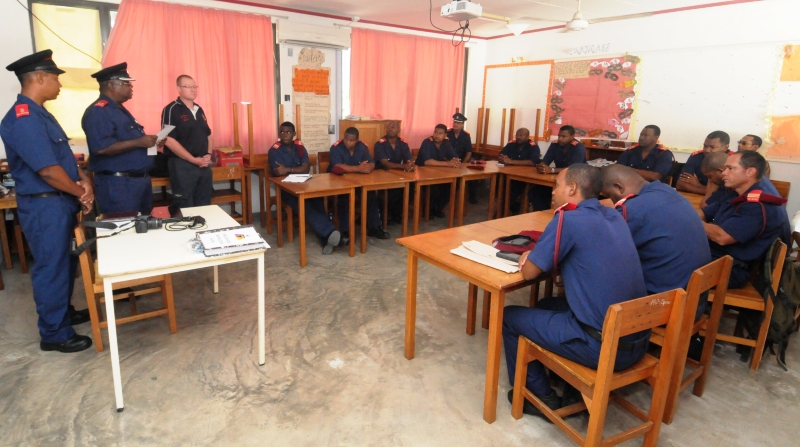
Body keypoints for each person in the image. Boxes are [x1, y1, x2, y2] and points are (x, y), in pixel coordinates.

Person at [503, 164, 649, 420]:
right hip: (636, 340)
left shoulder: (567, 220)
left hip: (603, 349)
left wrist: (530, 255)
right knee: (546, 304)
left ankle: (539, 397)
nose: (553, 191)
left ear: (572, 188)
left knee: (510, 317)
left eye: (557, 185)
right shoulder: (614, 214)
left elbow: (530, 273)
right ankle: (567, 382)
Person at [0, 50, 94, 353]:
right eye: (55, 78)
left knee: (65, 262)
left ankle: (62, 312)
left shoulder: (41, 114)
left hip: (59, 201)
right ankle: (54, 333)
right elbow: (49, 171)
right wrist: (80, 193)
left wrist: (84, 179)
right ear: (39, 78)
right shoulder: (23, 119)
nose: (60, 84)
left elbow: (64, 159)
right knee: (51, 266)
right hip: (44, 205)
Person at [602, 164, 711, 320]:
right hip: (695, 300)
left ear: (619, 188)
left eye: (609, 195)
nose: (613, 202)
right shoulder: (667, 191)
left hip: (665, 305)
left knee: (596, 279)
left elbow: (607, 251)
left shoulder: (633, 209)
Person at [699, 151, 790, 289]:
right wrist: (687, 216)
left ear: (750, 172)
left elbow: (721, 237)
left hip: (731, 268)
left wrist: (691, 221)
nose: (724, 173)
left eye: (730, 168)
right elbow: (704, 212)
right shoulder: (735, 194)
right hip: (715, 257)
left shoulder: (757, 206)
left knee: (670, 265)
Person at [82, 62, 160, 215]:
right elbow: (101, 147)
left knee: (143, 225)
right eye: (126, 84)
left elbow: (130, 141)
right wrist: (139, 142)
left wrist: (149, 142)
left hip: (138, 182)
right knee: (124, 225)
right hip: (119, 185)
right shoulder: (99, 112)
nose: (131, 87)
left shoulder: (119, 110)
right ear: (111, 85)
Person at [269, 122, 340, 254]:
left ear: (294, 134)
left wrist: (288, 169)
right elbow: (279, 173)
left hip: (304, 184)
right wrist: (296, 169)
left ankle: (327, 238)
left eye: (288, 132)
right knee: (304, 205)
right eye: (282, 132)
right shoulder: (274, 150)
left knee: (317, 200)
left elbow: (306, 168)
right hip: (285, 189)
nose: (284, 135)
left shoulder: (300, 147)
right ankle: (331, 232)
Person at [160, 74, 213, 208]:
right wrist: (192, 159)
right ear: (179, 89)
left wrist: (208, 154)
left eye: (194, 86)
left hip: (203, 165)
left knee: (205, 205)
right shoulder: (171, 109)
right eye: (188, 86)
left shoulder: (199, 109)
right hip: (182, 166)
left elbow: (208, 135)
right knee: (185, 206)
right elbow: (167, 139)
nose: (193, 89)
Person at [329, 127, 390, 240]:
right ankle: (346, 231)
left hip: (359, 182)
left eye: (351, 140)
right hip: (340, 183)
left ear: (357, 140)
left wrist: (369, 167)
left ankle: (374, 227)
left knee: (371, 195)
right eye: (346, 139)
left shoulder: (362, 147)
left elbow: (371, 162)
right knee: (345, 198)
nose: (348, 142)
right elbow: (337, 165)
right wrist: (358, 168)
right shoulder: (336, 147)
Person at [528, 125, 586, 211]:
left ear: (572, 137)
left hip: (575, 181)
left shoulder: (578, 147)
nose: (560, 139)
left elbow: (574, 169)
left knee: (560, 196)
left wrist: (552, 170)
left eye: (564, 136)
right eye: (559, 136)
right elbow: (546, 161)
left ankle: (557, 215)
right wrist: (541, 166)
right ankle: (546, 214)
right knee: (534, 193)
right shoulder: (554, 144)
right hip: (558, 178)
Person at [416, 124, 460, 218]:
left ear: (445, 135)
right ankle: (427, 210)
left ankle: (437, 208)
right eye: (435, 132)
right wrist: (448, 164)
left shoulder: (446, 143)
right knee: (434, 187)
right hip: (422, 174)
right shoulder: (427, 142)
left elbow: (455, 157)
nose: (437, 135)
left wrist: (455, 161)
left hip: (439, 173)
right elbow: (427, 162)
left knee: (455, 183)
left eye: (440, 133)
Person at [374, 120, 414, 224]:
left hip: (397, 174)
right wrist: (403, 166)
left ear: (398, 130)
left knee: (412, 187)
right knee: (393, 191)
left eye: (393, 127)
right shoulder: (380, 144)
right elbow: (385, 164)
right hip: (382, 175)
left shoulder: (403, 144)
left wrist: (410, 164)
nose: (390, 129)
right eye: (388, 127)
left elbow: (409, 159)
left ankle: (396, 213)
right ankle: (386, 215)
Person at [497, 128, 540, 214]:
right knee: (499, 182)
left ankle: (501, 212)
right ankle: (513, 206)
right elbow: (501, 154)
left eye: (521, 135)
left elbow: (532, 162)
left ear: (527, 137)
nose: (518, 137)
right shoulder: (511, 144)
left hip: (525, 176)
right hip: (510, 172)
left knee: (513, 189)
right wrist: (502, 158)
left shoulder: (533, 146)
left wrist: (511, 161)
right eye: (517, 135)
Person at [677, 130, 732, 195]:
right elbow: (680, 185)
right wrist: (709, 191)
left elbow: (727, 193)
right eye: (705, 146)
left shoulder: (733, 161)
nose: (707, 150)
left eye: (712, 147)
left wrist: (697, 185)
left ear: (725, 147)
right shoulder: (696, 157)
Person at [447, 113, 476, 204]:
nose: (455, 124)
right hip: (449, 160)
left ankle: (472, 197)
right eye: (454, 122)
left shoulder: (466, 135)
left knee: (473, 172)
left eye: (458, 123)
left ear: (462, 124)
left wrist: (463, 163)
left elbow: (469, 152)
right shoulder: (447, 133)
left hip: (463, 160)